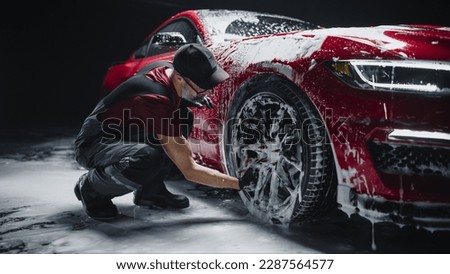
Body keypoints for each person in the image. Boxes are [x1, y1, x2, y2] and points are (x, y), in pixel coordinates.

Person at [73, 43, 245, 220]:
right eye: (202, 86)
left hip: (123, 132)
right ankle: (92, 189)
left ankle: (150, 191)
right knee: (146, 158)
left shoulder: (165, 68)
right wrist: (238, 183)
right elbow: (189, 169)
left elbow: (141, 104)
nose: (207, 91)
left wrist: (189, 98)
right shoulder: (157, 101)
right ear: (179, 78)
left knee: (183, 116)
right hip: (93, 144)